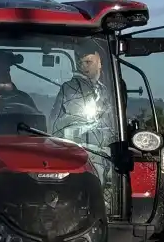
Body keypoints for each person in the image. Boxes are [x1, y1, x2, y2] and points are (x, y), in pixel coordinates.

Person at [49, 39, 118, 189]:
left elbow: (113, 125)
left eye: (88, 62)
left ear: (100, 62)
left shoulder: (109, 92)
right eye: (81, 62)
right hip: (80, 155)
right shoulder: (68, 89)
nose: (84, 66)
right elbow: (54, 125)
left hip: (106, 157)